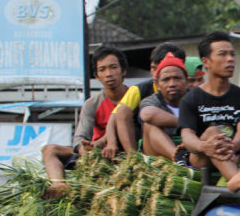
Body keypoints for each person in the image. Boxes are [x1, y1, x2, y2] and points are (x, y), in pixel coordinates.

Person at [179, 31, 240, 190]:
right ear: (206, 62)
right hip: (201, 156)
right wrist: (203, 146)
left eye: (232, 54)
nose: (230, 59)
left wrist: (232, 145)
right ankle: (238, 182)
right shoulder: (190, 99)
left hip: (233, 152)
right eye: (222, 54)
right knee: (212, 132)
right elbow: (187, 135)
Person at [42, 45, 129, 198]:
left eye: (113, 67)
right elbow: (79, 137)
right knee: (49, 150)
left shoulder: (135, 97)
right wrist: (84, 150)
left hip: (121, 150)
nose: (108, 74)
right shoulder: (92, 104)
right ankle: (58, 184)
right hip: (94, 154)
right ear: (97, 76)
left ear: (123, 71)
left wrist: (103, 142)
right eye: (102, 70)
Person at [103, 43, 186, 158]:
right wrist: (110, 143)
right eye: (153, 68)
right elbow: (116, 116)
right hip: (151, 142)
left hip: (187, 141)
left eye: (176, 77)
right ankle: (133, 158)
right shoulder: (141, 90)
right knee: (129, 113)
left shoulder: (193, 95)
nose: (155, 73)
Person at [138, 53, 188, 160]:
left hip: (191, 150)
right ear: (157, 85)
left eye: (177, 78)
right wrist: (186, 123)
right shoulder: (151, 100)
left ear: (186, 81)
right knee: (149, 125)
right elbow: (148, 115)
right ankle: (178, 158)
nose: (172, 84)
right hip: (160, 156)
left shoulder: (195, 98)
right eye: (166, 79)